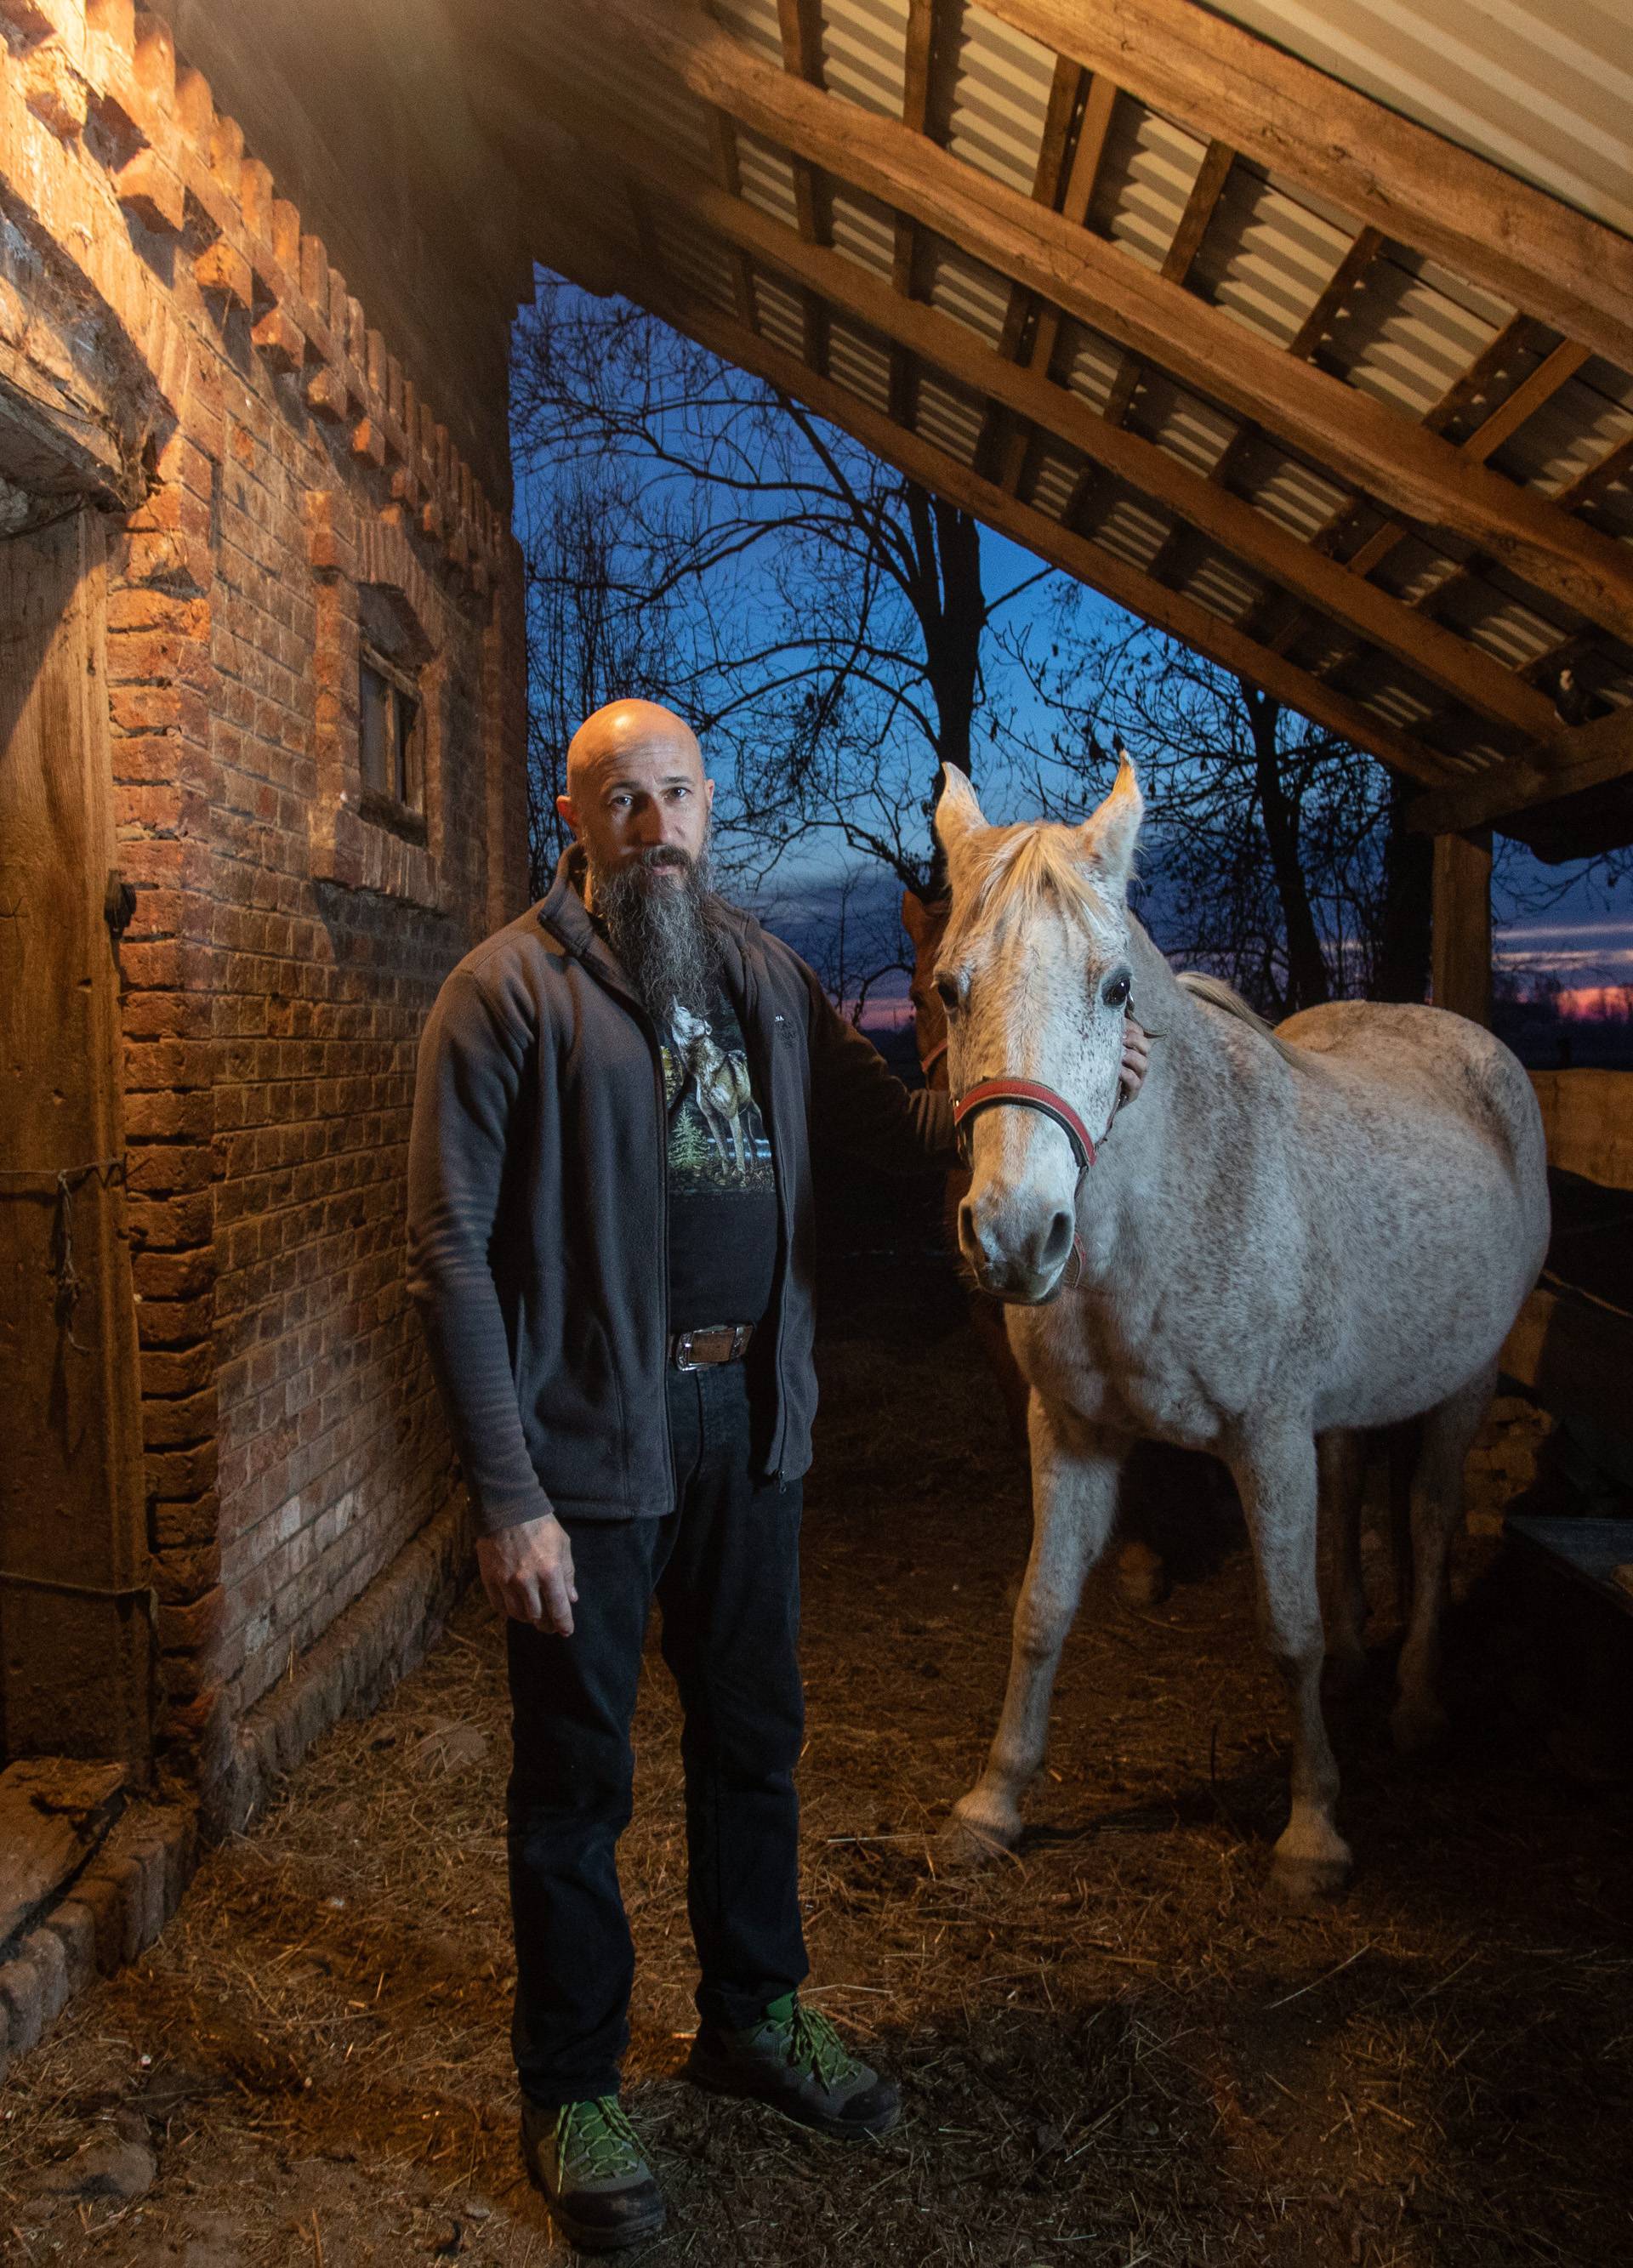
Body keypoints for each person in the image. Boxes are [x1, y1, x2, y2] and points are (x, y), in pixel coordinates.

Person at [406, 701, 1148, 2251]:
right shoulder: (504, 997)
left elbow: (901, 1134)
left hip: (749, 1427)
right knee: (576, 1784)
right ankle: (573, 2091)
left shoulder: (759, 976)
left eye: (676, 793)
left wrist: (1080, 1080)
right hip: (589, 1455)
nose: (654, 823)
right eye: (622, 798)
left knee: (756, 1743)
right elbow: (452, 1258)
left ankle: (752, 2016)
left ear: (710, 809)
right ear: (576, 819)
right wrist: (508, 1495)